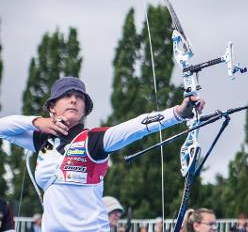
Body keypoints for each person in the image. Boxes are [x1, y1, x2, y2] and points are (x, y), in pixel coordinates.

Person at [0, 76, 205, 232]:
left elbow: (135, 127)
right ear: (52, 106)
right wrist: (37, 122)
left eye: (79, 97)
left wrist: (177, 113)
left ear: (84, 109)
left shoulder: (94, 140)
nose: (73, 100)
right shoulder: (42, 140)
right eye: (66, 95)